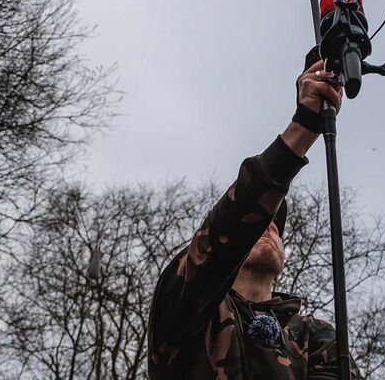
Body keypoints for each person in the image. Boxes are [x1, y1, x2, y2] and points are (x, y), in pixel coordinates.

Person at [148, 50, 362, 380]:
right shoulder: (187, 305)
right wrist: (304, 127)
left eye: (276, 225)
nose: (269, 227)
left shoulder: (314, 337)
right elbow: (222, 234)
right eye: (260, 221)